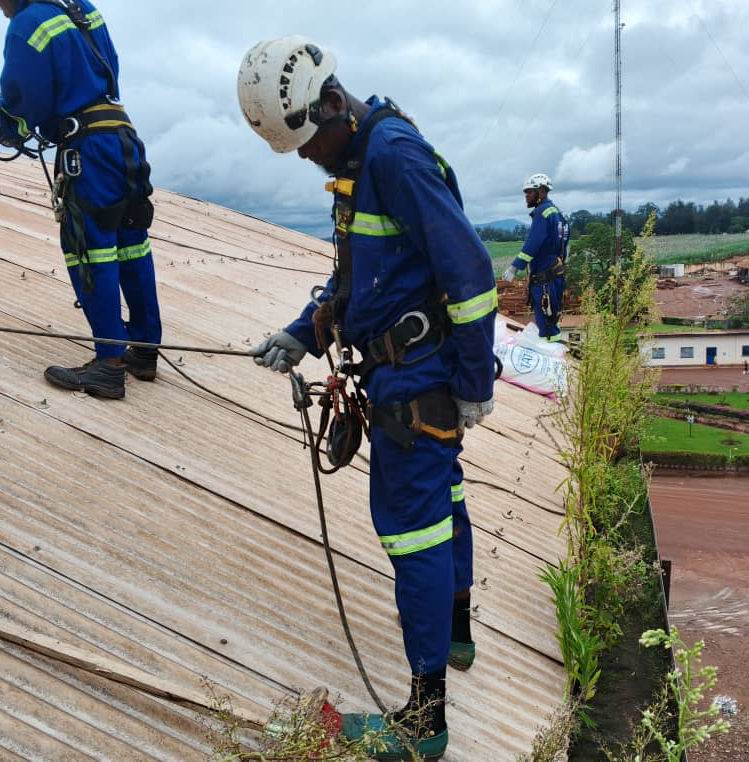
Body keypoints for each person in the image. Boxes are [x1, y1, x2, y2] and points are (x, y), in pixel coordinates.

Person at [236, 36, 497, 760]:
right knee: (444, 506)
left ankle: (424, 723)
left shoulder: (392, 158)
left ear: (331, 103)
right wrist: (301, 335)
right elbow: (358, 279)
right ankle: (457, 635)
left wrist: (476, 384)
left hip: (417, 382)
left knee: (411, 534)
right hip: (408, 372)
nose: (307, 156)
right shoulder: (360, 161)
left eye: (308, 142)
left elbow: (471, 272)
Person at [0, 0, 161, 399]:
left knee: (89, 248)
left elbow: (25, 96)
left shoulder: (28, 24)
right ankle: (144, 352)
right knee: (131, 243)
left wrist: (4, 116)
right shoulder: (82, 8)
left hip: (88, 150)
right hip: (123, 137)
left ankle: (109, 367)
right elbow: (108, 66)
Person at [502, 173, 569, 342]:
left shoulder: (542, 213)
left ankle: (549, 353)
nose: (526, 196)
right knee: (553, 316)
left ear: (541, 191)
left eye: (529, 192)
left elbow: (533, 243)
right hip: (556, 274)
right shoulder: (558, 215)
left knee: (545, 320)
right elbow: (563, 245)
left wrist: (515, 266)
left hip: (545, 278)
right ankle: (554, 347)